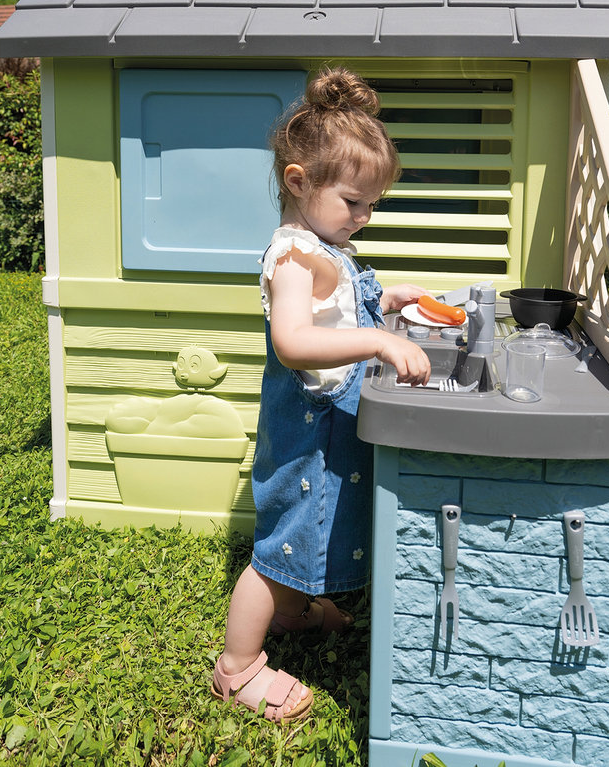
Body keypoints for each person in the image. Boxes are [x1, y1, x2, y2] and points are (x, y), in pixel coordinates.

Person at [211, 67, 432, 722]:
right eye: (354, 202)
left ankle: (294, 609)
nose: (364, 217)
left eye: (372, 204)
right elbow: (295, 342)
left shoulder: (323, 244)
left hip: (329, 428)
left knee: (313, 531)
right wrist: (378, 342)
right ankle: (237, 666)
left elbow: (340, 305)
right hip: (308, 432)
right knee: (280, 549)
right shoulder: (292, 257)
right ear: (299, 183)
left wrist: (384, 300)